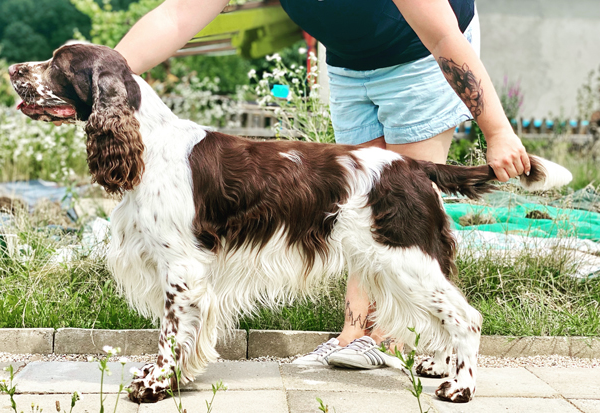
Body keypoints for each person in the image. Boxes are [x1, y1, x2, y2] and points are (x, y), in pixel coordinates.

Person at [113, 0, 530, 369]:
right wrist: (106, 69)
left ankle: (405, 344)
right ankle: (354, 335)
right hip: (350, 62)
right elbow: (177, 14)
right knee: (359, 215)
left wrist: (497, 131)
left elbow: (441, 36)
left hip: (420, 56)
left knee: (399, 211)